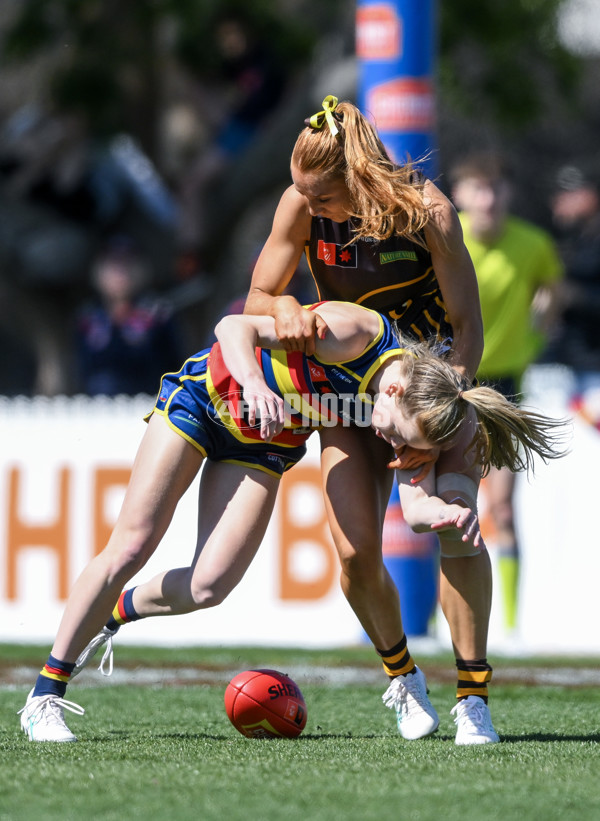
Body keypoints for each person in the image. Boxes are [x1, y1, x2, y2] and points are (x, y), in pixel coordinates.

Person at [18, 299, 566, 743]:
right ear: (395, 391)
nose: (392, 445)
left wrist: (447, 510)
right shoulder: (352, 333)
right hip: (206, 400)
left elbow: (416, 507)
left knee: (209, 585)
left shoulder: (410, 410)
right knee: (132, 545)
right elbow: (232, 326)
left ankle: (117, 610)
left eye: (406, 445)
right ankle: (44, 696)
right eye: (399, 433)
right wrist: (255, 386)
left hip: (263, 443)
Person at [242, 95, 500, 743]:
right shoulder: (299, 202)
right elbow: (258, 295)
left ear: (357, 181)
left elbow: (468, 331)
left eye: (320, 197)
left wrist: (434, 420)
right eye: (299, 191)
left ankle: (473, 696)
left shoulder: (431, 214)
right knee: (356, 552)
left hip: (433, 390)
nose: (306, 204)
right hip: (349, 394)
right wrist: (286, 313)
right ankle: (404, 677)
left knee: (458, 527)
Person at [449, 152, 564, 631]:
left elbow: (553, 296)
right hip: (453, 381)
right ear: (460, 195)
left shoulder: (533, 243)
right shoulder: (446, 234)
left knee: (501, 506)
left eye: (496, 189)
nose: (489, 198)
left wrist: (534, 337)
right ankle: (437, 622)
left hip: (504, 386)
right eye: (479, 188)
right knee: (447, 502)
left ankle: (510, 630)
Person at [74, 235, 185, 396]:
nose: (121, 273)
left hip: (150, 405)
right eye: (113, 265)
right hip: (97, 410)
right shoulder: (87, 319)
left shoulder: (159, 315)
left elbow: (175, 367)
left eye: (128, 264)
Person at [544, 163, 600, 429]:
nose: (558, 204)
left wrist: (572, 296)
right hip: (564, 366)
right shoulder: (572, 238)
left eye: (566, 194)